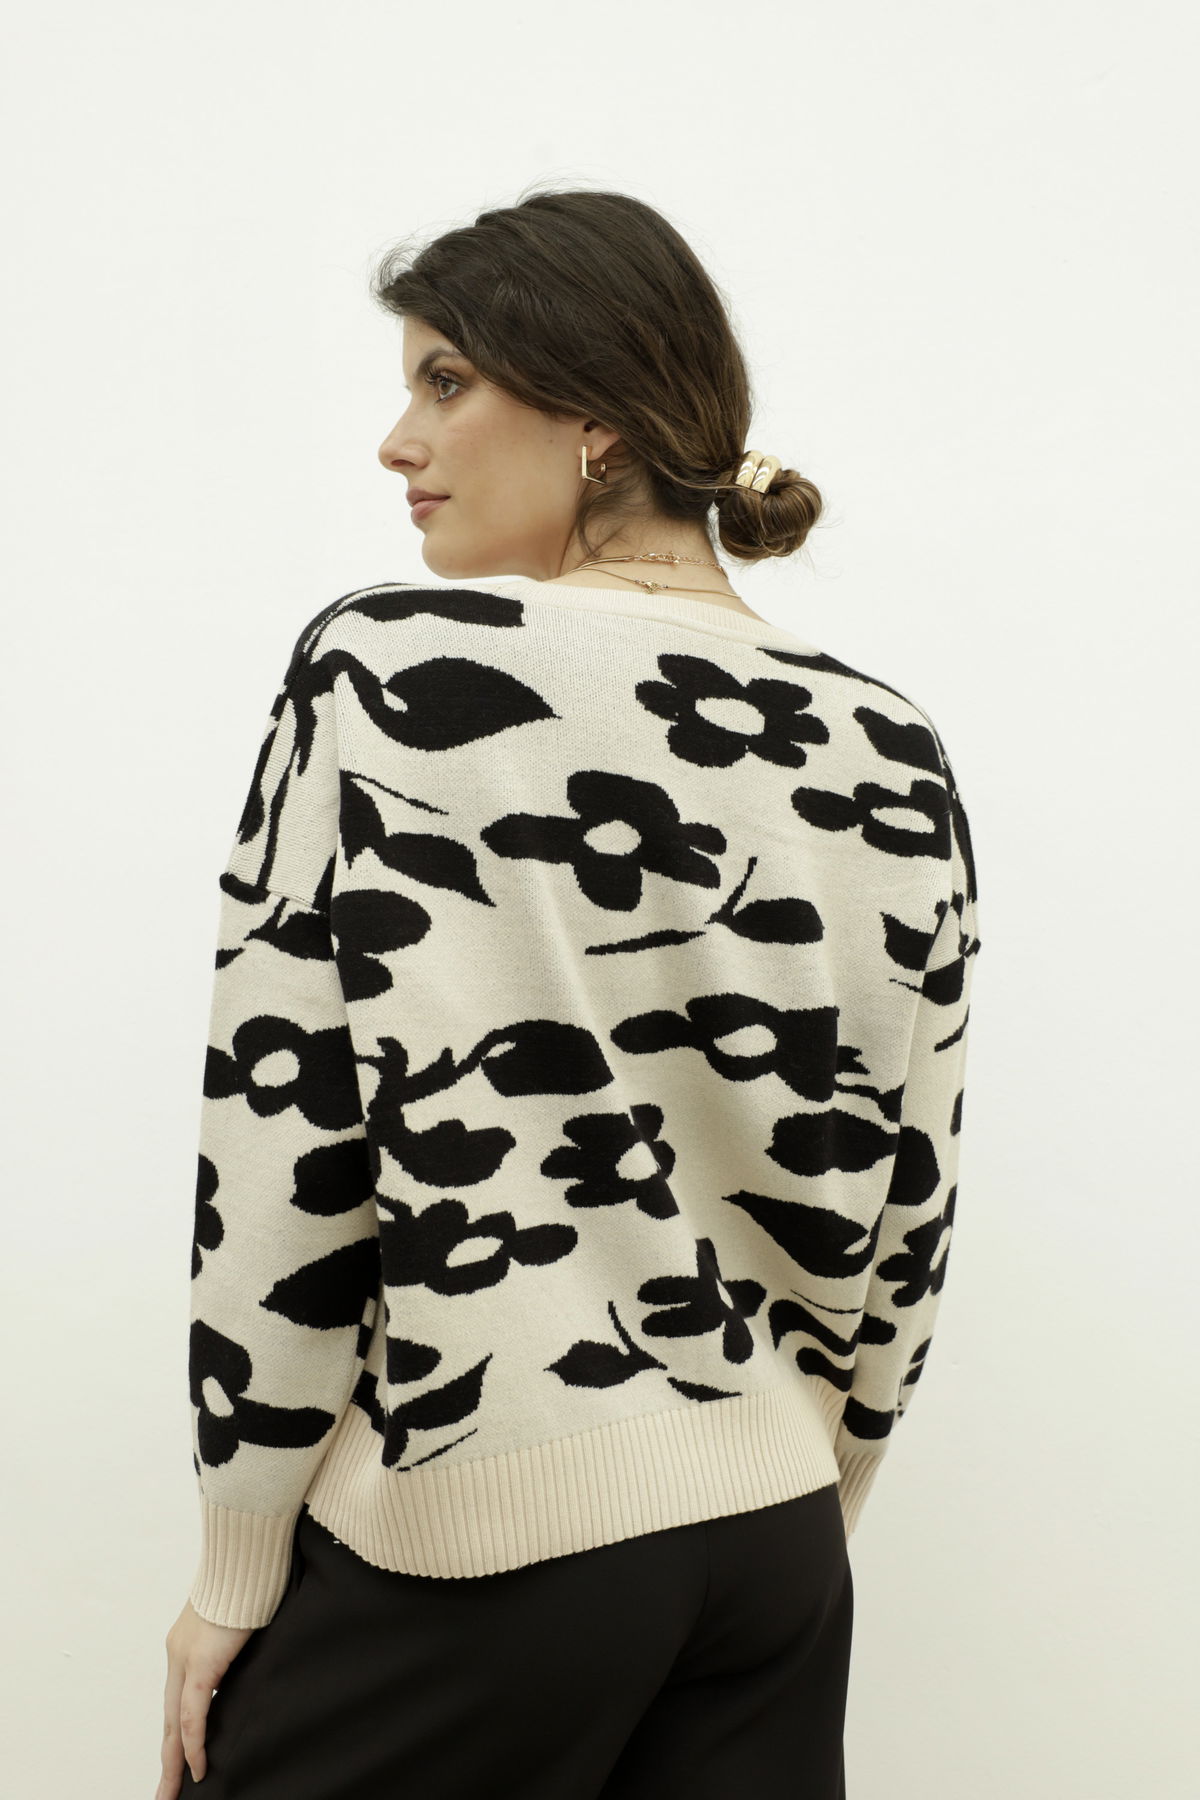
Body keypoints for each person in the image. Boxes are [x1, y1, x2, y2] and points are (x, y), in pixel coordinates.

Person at [157, 186, 982, 1800]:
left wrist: (233, 1568)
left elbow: (286, 1144)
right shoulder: (890, 741)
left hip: (494, 1531)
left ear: (596, 421)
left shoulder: (389, 670)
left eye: (446, 380)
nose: (399, 441)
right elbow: (910, 1190)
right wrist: (811, 1498)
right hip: (776, 1550)